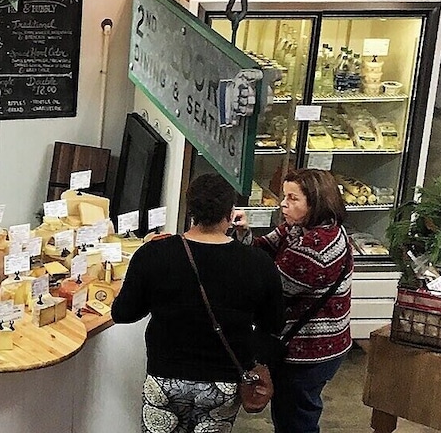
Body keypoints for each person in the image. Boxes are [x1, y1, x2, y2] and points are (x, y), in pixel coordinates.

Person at [114, 174, 285, 433]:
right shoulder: (258, 263)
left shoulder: (154, 254)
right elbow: (273, 325)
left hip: (165, 376)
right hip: (224, 381)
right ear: (230, 213)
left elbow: (123, 313)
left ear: (190, 210)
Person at [237, 169, 354, 433]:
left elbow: (268, 290)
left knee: (295, 419)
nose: (283, 204)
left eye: (293, 198)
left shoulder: (315, 249)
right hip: (313, 344)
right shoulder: (299, 227)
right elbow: (263, 249)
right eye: (284, 196)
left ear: (315, 203)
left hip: (310, 353)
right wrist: (244, 234)